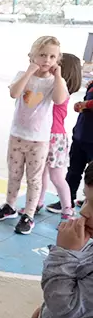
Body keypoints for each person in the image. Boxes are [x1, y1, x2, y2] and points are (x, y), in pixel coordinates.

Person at [26, 161, 93, 318]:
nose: (85, 212)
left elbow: (65, 304)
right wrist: (48, 306)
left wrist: (65, 253)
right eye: (86, 199)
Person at [0, 36, 69, 235]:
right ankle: (10, 206)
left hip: (39, 139)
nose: (47, 60)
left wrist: (58, 76)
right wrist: (28, 73)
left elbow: (60, 99)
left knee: (34, 179)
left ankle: (29, 215)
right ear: (32, 56)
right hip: (17, 135)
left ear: (57, 60)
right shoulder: (22, 74)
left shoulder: (54, 82)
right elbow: (14, 94)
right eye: (42, 55)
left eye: (52, 56)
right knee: (14, 174)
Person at [28, 53, 82, 225]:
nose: (49, 63)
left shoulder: (61, 90)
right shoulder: (52, 86)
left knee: (57, 177)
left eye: (55, 62)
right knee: (40, 174)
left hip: (54, 138)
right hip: (42, 135)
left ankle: (68, 209)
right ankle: (38, 202)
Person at [64, 71, 93, 212]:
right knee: (74, 170)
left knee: (92, 176)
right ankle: (67, 200)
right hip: (81, 134)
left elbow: (87, 104)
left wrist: (86, 104)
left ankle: (90, 202)